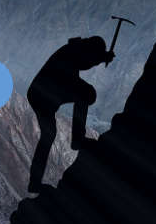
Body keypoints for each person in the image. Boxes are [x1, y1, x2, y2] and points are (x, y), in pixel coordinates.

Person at [27, 36, 115, 193]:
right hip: (43, 96)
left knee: (48, 137)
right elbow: (83, 63)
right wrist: (102, 58)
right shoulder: (73, 54)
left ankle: (35, 182)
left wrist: (101, 57)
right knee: (86, 94)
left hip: (42, 94)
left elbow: (84, 62)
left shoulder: (73, 50)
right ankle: (77, 139)